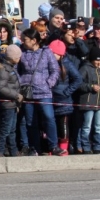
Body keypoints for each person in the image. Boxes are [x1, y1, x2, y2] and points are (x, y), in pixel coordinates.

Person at [18, 28, 64, 156]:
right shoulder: (22, 52)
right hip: (27, 91)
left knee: (49, 117)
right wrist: (21, 83)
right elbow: (17, 69)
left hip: (44, 91)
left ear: (34, 40)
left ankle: (53, 146)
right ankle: (35, 147)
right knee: (30, 120)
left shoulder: (46, 52)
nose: (23, 41)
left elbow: (55, 70)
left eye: (25, 39)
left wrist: (49, 83)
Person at [77, 47, 100, 155]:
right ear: (92, 59)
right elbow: (78, 84)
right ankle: (86, 147)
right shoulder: (85, 68)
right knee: (87, 126)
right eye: (97, 60)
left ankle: (98, 146)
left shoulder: (99, 70)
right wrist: (90, 87)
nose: (99, 62)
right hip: (88, 102)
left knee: (98, 127)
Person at [49, 39, 81, 155]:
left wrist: (66, 92)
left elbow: (78, 79)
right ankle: (53, 148)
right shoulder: (48, 63)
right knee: (52, 126)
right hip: (51, 99)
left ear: (60, 54)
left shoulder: (67, 63)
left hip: (64, 101)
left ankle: (64, 148)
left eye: (54, 53)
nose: (51, 56)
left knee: (63, 126)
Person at [0, 44, 22, 157]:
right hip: (7, 103)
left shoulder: (10, 67)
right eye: (18, 57)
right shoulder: (4, 69)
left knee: (12, 129)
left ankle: (13, 150)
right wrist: (16, 95)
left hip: (13, 103)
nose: (19, 59)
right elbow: (0, 87)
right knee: (5, 128)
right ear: (13, 57)